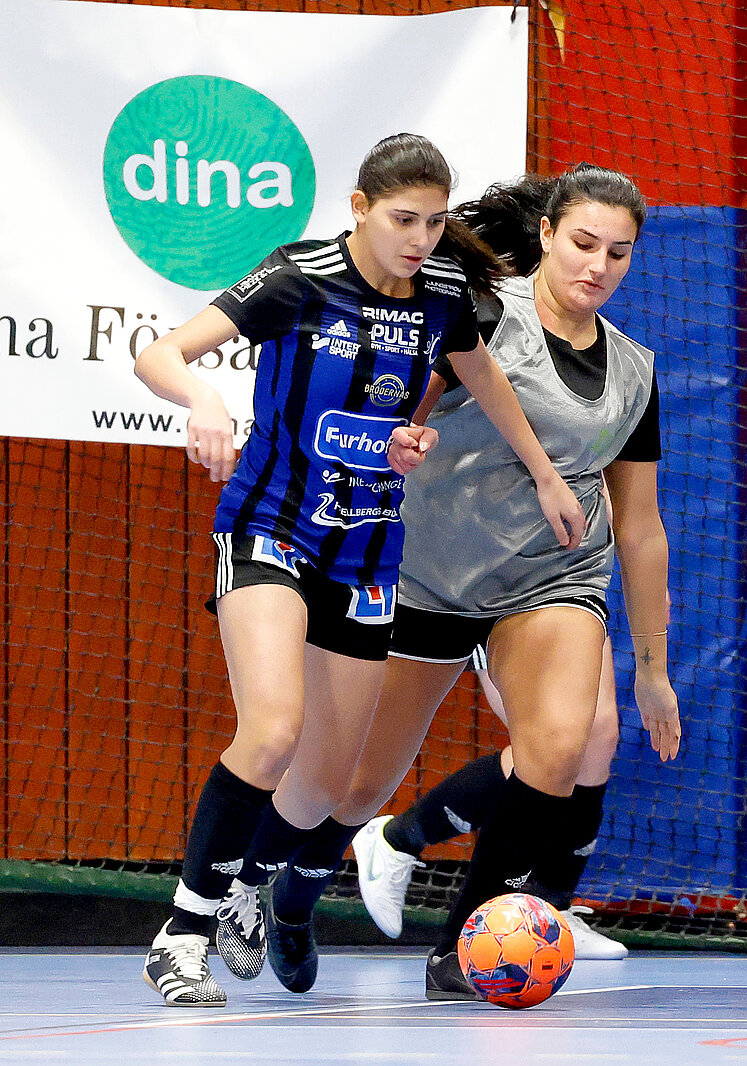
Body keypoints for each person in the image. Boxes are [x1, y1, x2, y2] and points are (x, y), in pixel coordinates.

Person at [134, 134, 585, 1007]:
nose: (420, 238)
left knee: (333, 781)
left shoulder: (445, 294)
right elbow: (159, 353)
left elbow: (481, 378)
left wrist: (533, 468)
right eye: (403, 219)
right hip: (272, 528)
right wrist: (205, 399)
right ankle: (182, 931)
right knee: (270, 730)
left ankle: (252, 888)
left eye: (434, 221)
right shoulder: (297, 278)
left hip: (368, 547)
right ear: (359, 209)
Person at [233, 164, 679, 999]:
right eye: (583, 243)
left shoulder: (634, 371)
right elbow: (394, 414)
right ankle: (290, 895)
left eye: (619, 254)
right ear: (545, 235)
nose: (599, 266)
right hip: (424, 577)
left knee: (560, 745)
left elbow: (643, 526)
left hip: (551, 579)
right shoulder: (473, 321)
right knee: (358, 780)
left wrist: (651, 666)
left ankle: (470, 943)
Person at [350, 648, 631, 960]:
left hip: (582, 600)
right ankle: (400, 838)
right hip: (499, 602)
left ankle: (551, 906)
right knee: (547, 746)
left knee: (599, 734)